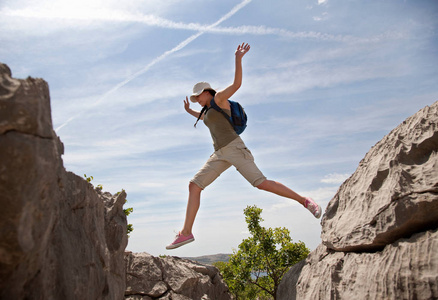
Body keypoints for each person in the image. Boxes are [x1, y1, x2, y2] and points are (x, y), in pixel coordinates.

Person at [166, 42, 321, 250]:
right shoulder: (206, 111)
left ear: (206, 92)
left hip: (235, 149)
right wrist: (189, 112)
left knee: (261, 183)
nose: (196, 101)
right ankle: (186, 233)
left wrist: (238, 60)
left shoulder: (219, 99)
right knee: (194, 185)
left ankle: (304, 200)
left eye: (197, 97)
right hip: (219, 154)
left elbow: (237, 84)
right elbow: (206, 121)